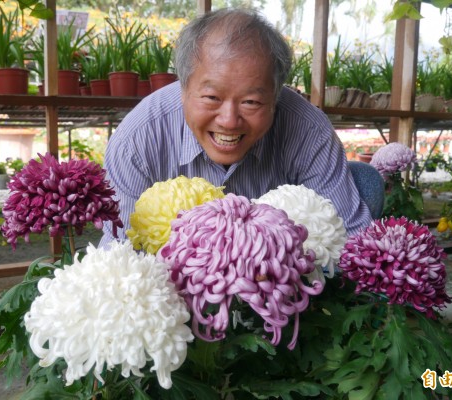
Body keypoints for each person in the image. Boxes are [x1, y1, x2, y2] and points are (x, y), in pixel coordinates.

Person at [99, 8, 372, 248]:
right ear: (183, 89)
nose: (229, 121)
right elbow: (121, 256)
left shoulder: (308, 131)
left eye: (251, 101)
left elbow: (351, 240)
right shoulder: (138, 138)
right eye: (211, 98)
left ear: (276, 97)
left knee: (368, 184)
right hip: (171, 289)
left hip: (280, 289)